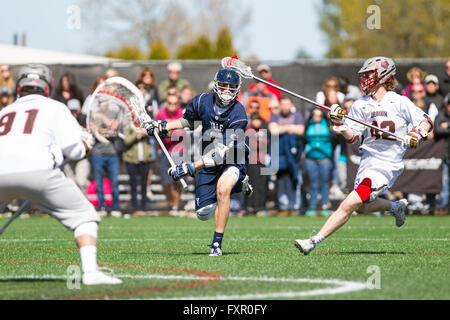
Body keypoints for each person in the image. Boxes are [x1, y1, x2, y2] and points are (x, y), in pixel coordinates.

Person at [294, 56, 433, 255]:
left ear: (383, 76)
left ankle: (313, 241)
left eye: (369, 75)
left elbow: (426, 121)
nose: (365, 79)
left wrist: (417, 133)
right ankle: (395, 207)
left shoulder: (399, 101)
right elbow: (353, 138)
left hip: (387, 164)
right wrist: (340, 125)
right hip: (367, 161)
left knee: (350, 202)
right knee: (361, 207)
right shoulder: (361, 105)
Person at [0, 64, 121, 285]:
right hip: (37, 172)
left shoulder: (4, 112)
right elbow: (74, 151)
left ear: (19, 87)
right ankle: (91, 272)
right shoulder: (55, 107)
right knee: (85, 217)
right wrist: (86, 143)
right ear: (48, 86)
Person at [144, 68, 253, 256]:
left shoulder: (239, 114)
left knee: (223, 190)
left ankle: (216, 245)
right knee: (204, 212)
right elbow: (188, 122)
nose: (227, 91)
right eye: (224, 87)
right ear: (216, 86)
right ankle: (240, 185)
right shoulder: (203, 100)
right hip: (208, 155)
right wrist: (163, 126)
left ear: (237, 90)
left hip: (232, 157)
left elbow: (220, 155)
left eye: (231, 88)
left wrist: (189, 167)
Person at [268, 96, 305, 216]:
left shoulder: (297, 116)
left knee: (294, 180)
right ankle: (284, 207)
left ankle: (294, 207)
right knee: (281, 182)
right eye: (282, 104)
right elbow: (273, 131)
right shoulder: (275, 116)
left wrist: (281, 129)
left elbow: (300, 130)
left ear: (291, 105)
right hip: (278, 154)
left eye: (287, 104)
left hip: (294, 156)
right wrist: (291, 127)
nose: (285, 106)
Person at [155, 93, 186, 215]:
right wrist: (172, 132)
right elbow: (157, 130)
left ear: (178, 104)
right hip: (164, 152)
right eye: (169, 103)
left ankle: (176, 206)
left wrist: (167, 132)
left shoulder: (182, 114)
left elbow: (182, 134)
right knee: (165, 181)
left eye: (174, 103)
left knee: (177, 181)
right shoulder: (161, 113)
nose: (171, 106)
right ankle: (171, 202)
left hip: (179, 152)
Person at [304, 108, 333, 217]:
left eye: (319, 115)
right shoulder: (308, 125)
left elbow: (333, 138)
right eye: (315, 115)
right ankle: (312, 206)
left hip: (325, 158)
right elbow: (303, 139)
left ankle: (325, 205)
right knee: (313, 183)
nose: (317, 117)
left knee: (325, 183)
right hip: (310, 158)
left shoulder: (327, 125)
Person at [122, 120, 154, 216]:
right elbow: (126, 140)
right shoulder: (127, 124)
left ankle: (143, 207)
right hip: (131, 159)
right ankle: (135, 207)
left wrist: (144, 131)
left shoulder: (146, 124)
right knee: (133, 184)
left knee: (144, 184)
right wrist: (137, 133)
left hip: (145, 159)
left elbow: (152, 134)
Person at [245, 113, 269, 215]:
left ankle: (261, 207)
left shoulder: (263, 131)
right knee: (252, 184)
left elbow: (266, 144)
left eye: (258, 120)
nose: (257, 122)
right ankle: (251, 207)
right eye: (255, 120)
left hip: (262, 161)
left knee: (262, 185)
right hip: (252, 162)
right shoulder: (248, 131)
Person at [434, 93, 450, 215]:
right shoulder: (442, 114)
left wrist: (448, 126)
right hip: (446, 154)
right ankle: (443, 207)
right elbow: (437, 129)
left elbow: (442, 128)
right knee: (445, 182)